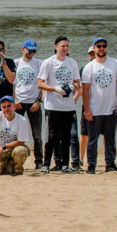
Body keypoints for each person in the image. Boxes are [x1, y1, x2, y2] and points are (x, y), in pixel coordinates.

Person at [80, 37, 117, 174]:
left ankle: (110, 163)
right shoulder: (89, 67)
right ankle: (91, 165)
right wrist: (87, 109)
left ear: (106, 48)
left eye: (103, 46)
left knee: (110, 138)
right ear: (94, 49)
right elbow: (85, 89)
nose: (101, 48)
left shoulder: (115, 64)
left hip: (111, 108)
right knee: (92, 140)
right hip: (95, 109)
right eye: (98, 46)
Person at [37, 36, 81, 173]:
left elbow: (77, 83)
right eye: (62, 46)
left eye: (67, 46)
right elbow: (40, 83)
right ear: (56, 47)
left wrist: (72, 87)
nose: (65, 48)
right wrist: (55, 89)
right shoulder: (48, 62)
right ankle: (46, 164)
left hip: (68, 106)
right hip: (53, 105)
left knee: (66, 137)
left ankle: (65, 165)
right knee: (51, 136)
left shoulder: (72, 63)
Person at [13, 39, 43, 170]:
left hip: (33, 103)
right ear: (23, 49)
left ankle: (39, 161)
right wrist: (14, 99)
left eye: (34, 50)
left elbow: (42, 84)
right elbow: (11, 83)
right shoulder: (16, 63)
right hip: (19, 102)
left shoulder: (38, 63)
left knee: (37, 135)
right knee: (15, 133)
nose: (31, 53)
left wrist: (38, 101)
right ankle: (13, 159)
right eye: (29, 50)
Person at [0, 95, 32, 176]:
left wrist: (3, 147)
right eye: (4, 107)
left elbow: (21, 142)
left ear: (14, 106)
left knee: (21, 150)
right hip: (0, 153)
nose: (7, 109)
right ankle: (8, 165)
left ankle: (17, 169)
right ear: (1, 108)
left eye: (9, 106)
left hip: (14, 149)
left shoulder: (22, 120)